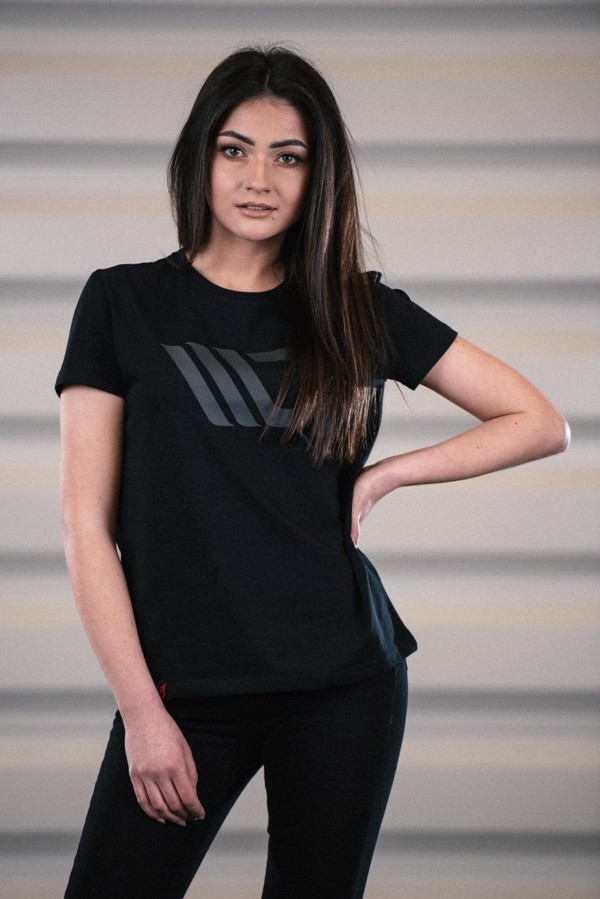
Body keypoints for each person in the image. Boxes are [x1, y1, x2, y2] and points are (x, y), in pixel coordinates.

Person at [55, 44, 569, 899]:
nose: (258, 178)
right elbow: (83, 524)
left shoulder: (358, 309)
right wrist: (142, 711)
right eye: (235, 149)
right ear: (199, 159)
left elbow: (540, 422)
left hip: (344, 683)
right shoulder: (121, 302)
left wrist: (391, 473)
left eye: (288, 157)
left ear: (318, 175)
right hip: (184, 690)